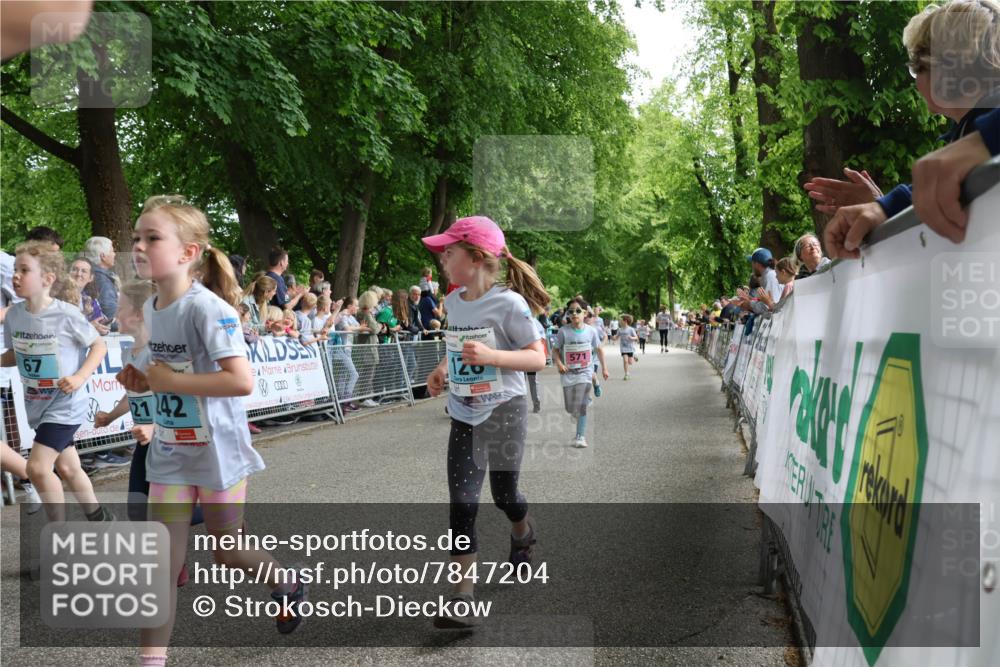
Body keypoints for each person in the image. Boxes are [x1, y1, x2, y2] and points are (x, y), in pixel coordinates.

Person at [119, 195, 308, 664]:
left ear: (188, 252)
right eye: (136, 238)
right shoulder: (156, 307)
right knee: (163, 565)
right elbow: (160, 369)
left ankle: (285, 582)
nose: (139, 246)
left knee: (228, 550)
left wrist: (171, 380)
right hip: (171, 456)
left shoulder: (208, 309)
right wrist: (140, 378)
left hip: (218, 457)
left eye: (152, 238)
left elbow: (240, 381)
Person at [422, 215, 549, 628]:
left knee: (504, 493)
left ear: (475, 258)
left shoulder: (509, 303)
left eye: (449, 251)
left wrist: (493, 357)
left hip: (504, 409)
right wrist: (443, 368)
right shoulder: (454, 300)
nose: (442, 258)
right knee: (462, 503)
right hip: (464, 412)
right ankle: (463, 596)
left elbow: (537, 357)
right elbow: (458, 346)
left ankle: (522, 531)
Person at [823, 0, 1000, 257]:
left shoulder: (980, 130)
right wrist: (885, 207)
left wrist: (983, 141)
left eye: (919, 69)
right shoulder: (964, 137)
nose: (916, 85)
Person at [93, 280, 202, 585]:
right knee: (138, 510)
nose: (116, 310)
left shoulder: (161, 352)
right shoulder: (130, 351)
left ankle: (216, 519)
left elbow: (177, 395)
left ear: (140, 314)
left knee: (162, 512)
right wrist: (111, 415)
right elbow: (134, 393)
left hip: (169, 441)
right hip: (144, 443)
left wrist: (155, 426)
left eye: (122, 305)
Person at [0, 241, 112, 522]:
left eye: (24, 270)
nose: (15, 275)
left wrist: (78, 376)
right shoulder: (14, 315)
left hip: (65, 406)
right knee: (70, 468)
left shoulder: (66, 314)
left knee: (38, 469)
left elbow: (99, 346)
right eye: (15, 269)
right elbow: (17, 354)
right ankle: (101, 518)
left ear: (47, 279)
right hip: (37, 405)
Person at [552, 297, 606, 447]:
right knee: (570, 408)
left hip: (585, 371)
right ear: (567, 314)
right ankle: (593, 387)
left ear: (584, 313)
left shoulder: (591, 331)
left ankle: (580, 437)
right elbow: (555, 350)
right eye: (571, 311)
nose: (574, 314)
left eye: (578, 311)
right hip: (568, 372)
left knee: (581, 403)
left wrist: (605, 368)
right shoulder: (563, 332)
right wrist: (559, 364)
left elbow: (599, 349)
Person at [333, 297, 362, 412]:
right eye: (356, 305)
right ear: (349, 306)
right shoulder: (343, 316)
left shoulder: (351, 317)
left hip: (348, 350)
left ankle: (342, 401)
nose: (358, 308)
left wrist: (358, 328)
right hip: (340, 350)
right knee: (354, 374)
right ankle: (346, 400)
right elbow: (346, 328)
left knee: (343, 375)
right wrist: (358, 328)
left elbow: (360, 326)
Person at [354, 290, 382, 408]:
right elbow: (375, 329)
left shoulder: (361, 313)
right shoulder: (366, 314)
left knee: (368, 373)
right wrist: (378, 326)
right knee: (368, 373)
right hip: (368, 347)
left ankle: (365, 396)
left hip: (366, 346)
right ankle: (365, 397)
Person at [82, 236, 120, 324]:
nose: (114, 254)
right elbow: (111, 316)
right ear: (103, 256)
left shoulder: (90, 275)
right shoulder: (102, 280)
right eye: (112, 251)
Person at [67, 257, 110, 334]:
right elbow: (62, 327)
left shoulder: (89, 299)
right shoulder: (58, 297)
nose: (78, 274)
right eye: (74, 269)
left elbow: (98, 321)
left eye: (84, 271)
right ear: (68, 274)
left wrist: (101, 327)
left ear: (91, 278)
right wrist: (88, 324)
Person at [617, 315, 639, 380]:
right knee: (625, 361)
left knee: (630, 362)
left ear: (625, 321)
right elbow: (616, 337)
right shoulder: (620, 329)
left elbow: (636, 337)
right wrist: (613, 337)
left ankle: (634, 355)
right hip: (623, 348)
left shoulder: (631, 329)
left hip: (630, 348)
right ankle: (626, 374)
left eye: (621, 320)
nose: (620, 321)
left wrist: (631, 337)